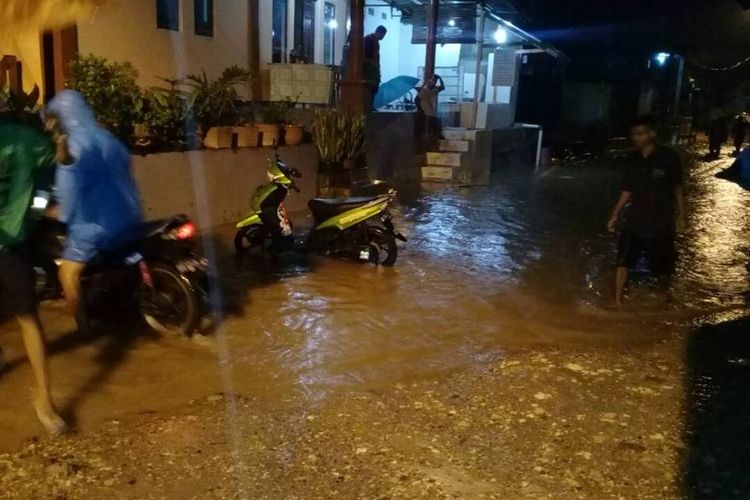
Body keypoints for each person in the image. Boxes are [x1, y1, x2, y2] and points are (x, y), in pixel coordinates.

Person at [43, 90, 142, 314]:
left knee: (66, 273)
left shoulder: (72, 144)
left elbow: (68, 184)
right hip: (130, 213)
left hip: (95, 223)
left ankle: (83, 332)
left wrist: (62, 212)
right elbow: (126, 167)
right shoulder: (107, 137)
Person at [0, 116, 67, 434]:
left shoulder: (22, 138)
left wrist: (61, 140)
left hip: (11, 246)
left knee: (28, 317)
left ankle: (43, 397)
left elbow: (61, 160)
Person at [607, 115, 685, 308]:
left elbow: (677, 188)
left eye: (640, 134)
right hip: (635, 219)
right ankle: (617, 301)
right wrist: (615, 214)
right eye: (633, 134)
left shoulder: (669, 157)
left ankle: (664, 295)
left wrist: (682, 216)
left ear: (652, 134)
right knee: (623, 260)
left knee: (663, 263)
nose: (636, 138)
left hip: (661, 220)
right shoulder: (633, 159)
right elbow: (627, 189)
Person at [415, 74, 445, 150]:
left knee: (434, 125)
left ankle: (435, 137)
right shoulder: (425, 90)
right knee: (430, 126)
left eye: (434, 82)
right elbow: (417, 99)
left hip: (430, 111)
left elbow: (442, 87)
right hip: (426, 112)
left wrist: (440, 79)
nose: (433, 83)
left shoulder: (433, 89)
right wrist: (420, 109)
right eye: (432, 82)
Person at [363, 25, 387, 110]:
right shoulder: (369, 39)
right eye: (382, 35)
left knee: (374, 87)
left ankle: (370, 105)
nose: (382, 37)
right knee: (371, 86)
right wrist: (374, 65)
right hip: (369, 68)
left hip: (373, 67)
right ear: (378, 32)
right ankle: (368, 106)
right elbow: (368, 56)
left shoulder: (375, 41)